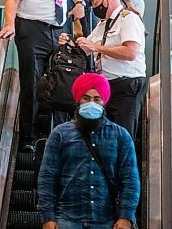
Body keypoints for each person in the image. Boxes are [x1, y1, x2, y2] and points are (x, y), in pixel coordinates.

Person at [0, 0, 85, 151]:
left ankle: (60, 134)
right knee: (32, 85)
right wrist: (9, 25)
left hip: (58, 31)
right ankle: (29, 138)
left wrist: (78, 3)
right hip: (31, 31)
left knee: (61, 82)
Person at [38, 73, 140, 229]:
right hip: (66, 219)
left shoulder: (120, 136)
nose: (91, 103)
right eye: (86, 98)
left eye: (97, 99)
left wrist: (126, 216)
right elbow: (47, 177)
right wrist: (48, 217)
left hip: (107, 220)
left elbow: (130, 179)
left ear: (104, 101)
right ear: (78, 100)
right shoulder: (60, 134)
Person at [60, 0, 146, 140]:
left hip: (126, 85)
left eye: (96, 3)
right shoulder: (102, 25)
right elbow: (86, 48)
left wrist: (97, 48)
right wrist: (70, 42)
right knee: (104, 137)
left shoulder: (129, 19)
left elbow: (130, 52)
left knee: (122, 137)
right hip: (105, 87)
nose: (94, 8)